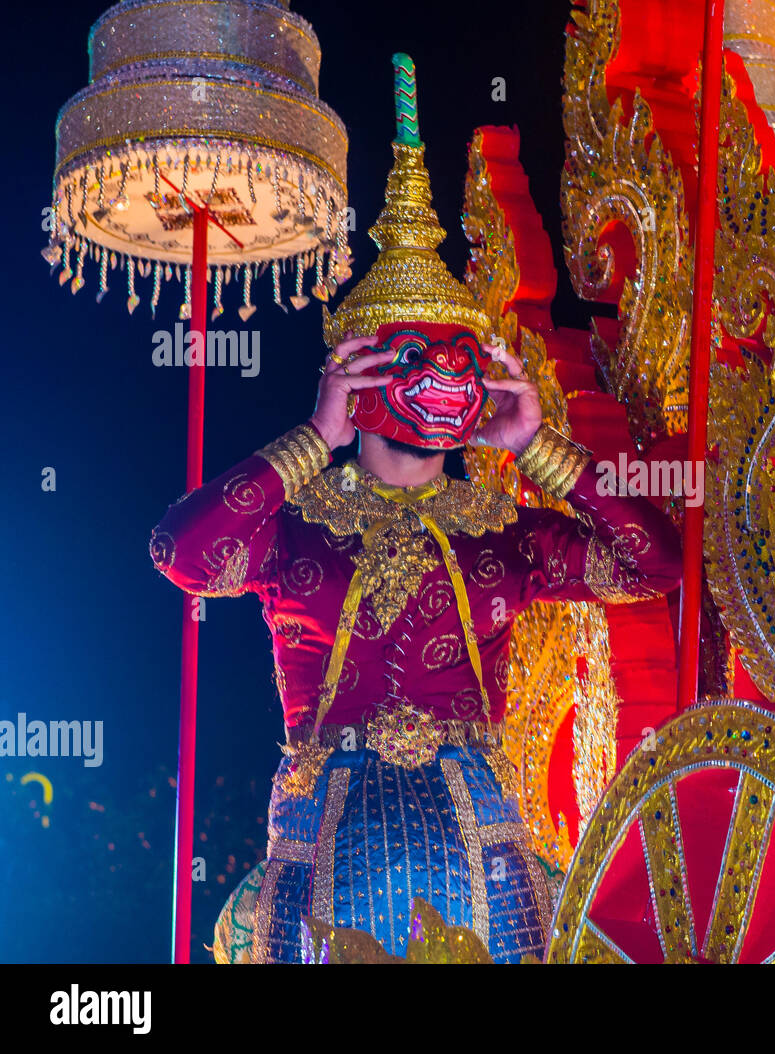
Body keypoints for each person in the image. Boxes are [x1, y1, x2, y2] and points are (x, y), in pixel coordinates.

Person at [149, 53, 682, 963]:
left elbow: (655, 568)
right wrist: (312, 438)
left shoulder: (502, 534)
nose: (441, 376)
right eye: (410, 357)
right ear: (353, 368)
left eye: (458, 357)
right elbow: (180, 553)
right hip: (327, 841)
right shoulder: (295, 526)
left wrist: (536, 449)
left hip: (482, 846)